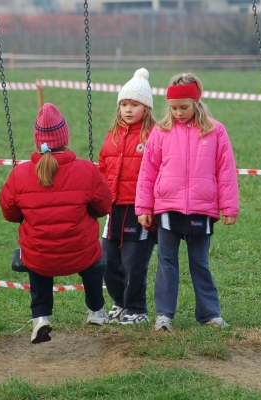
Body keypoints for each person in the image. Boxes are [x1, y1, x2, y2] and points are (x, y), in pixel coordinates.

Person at [0, 103, 112, 344]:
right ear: (65, 137)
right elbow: (104, 206)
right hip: (81, 252)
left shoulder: (20, 173)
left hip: (40, 256)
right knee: (92, 256)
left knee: (37, 257)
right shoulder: (86, 170)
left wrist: (27, 216)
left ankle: (40, 318)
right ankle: (96, 311)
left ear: (37, 139)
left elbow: (9, 212)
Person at [135, 72, 238, 332]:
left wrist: (229, 206)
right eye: (173, 108)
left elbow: (225, 171)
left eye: (184, 107)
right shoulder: (160, 132)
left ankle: (210, 314)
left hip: (202, 209)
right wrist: (144, 207)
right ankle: (164, 315)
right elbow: (147, 172)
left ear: (196, 102)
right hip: (167, 207)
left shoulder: (216, 131)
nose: (178, 113)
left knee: (200, 262)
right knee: (166, 261)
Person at [98, 68, 157, 325]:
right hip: (114, 208)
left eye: (134, 104)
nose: (128, 109)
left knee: (134, 263)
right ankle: (120, 302)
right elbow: (102, 167)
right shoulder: (112, 135)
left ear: (146, 107)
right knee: (106, 261)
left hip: (140, 208)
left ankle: (137, 308)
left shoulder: (154, 135)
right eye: (124, 104)